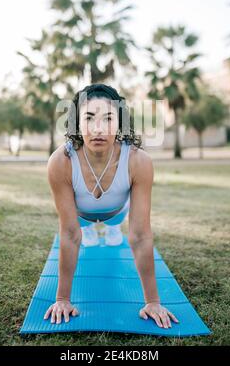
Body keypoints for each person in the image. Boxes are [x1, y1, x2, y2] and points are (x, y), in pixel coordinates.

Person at [44, 84, 179, 330]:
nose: (98, 128)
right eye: (89, 118)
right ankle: (94, 230)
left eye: (108, 118)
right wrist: (62, 299)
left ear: (120, 123)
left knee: (115, 228)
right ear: (76, 123)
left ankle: (110, 229)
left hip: (117, 211)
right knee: (83, 232)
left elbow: (140, 235)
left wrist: (153, 301)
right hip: (81, 214)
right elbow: (69, 233)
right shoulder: (60, 162)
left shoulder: (139, 161)